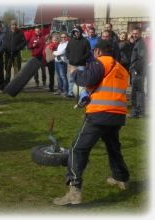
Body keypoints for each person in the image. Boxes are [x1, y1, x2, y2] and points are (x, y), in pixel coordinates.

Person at [53, 40, 130, 205]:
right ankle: (121, 178)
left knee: (77, 149)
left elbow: (87, 79)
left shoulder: (101, 62)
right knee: (113, 148)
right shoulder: (122, 69)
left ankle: (74, 190)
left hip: (99, 115)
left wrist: (74, 73)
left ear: (98, 52)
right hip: (117, 116)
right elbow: (104, 88)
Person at [66, 25, 91, 97]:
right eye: (74, 32)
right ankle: (70, 93)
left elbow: (88, 52)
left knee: (81, 80)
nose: (76, 33)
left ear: (80, 32)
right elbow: (67, 51)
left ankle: (81, 94)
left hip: (81, 64)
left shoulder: (85, 41)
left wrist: (82, 58)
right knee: (71, 79)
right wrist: (69, 57)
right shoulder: (71, 41)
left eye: (77, 32)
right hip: (72, 64)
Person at [128, 27, 147, 118]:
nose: (134, 35)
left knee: (136, 91)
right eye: (133, 33)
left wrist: (135, 70)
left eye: (136, 33)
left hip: (138, 71)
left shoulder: (141, 43)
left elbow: (142, 58)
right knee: (138, 91)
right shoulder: (137, 42)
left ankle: (136, 112)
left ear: (140, 33)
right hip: (136, 70)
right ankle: (140, 112)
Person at [1, 20, 26, 87]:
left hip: (16, 54)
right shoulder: (7, 32)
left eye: (15, 25)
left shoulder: (20, 33)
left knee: (17, 69)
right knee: (7, 69)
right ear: (10, 25)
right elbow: (4, 42)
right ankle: (7, 84)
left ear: (16, 25)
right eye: (12, 25)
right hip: (8, 54)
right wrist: (5, 49)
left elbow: (24, 42)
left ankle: (16, 85)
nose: (14, 26)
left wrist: (18, 48)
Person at [53, 32, 69, 97]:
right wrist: (56, 52)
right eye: (62, 37)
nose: (63, 38)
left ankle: (65, 91)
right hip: (57, 61)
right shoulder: (60, 44)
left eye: (64, 37)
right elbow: (58, 52)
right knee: (58, 77)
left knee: (63, 76)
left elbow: (63, 52)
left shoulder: (67, 44)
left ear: (67, 37)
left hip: (62, 62)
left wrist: (54, 52)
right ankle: (60, 89)